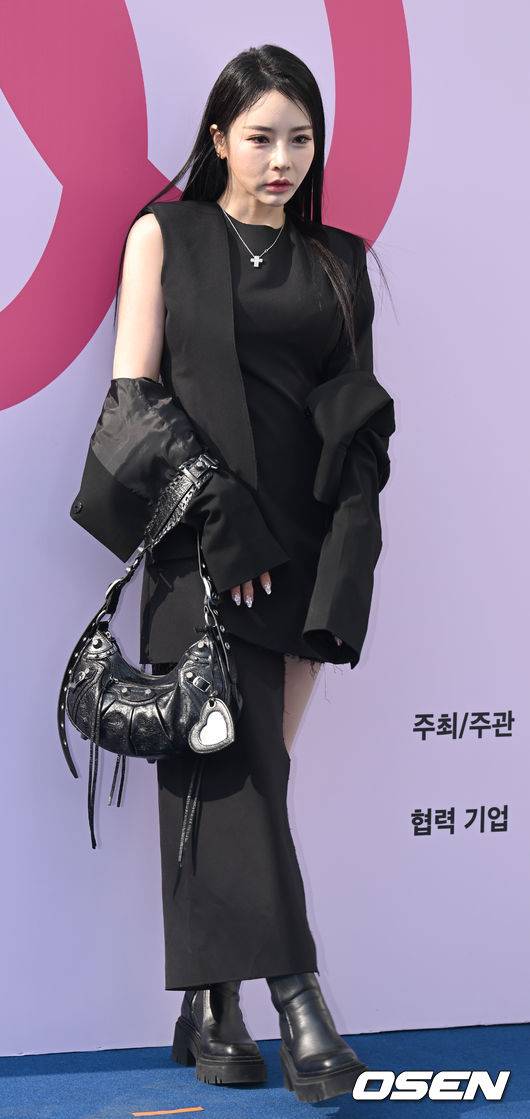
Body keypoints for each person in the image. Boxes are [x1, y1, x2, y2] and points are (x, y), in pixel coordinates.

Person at [70, 43, 395, 1103]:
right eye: (260, 137)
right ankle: (299, 998)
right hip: (203, 542)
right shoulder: (166, 235)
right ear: (218, 138)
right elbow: (132, 399)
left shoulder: (339, 261)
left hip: (301, 555)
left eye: (300, 139)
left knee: (250, 773)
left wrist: (343, 558)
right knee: (242, 769)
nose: (282, 159)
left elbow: (354, 415)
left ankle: (210, 1001)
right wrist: (222, 514)